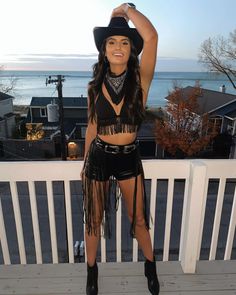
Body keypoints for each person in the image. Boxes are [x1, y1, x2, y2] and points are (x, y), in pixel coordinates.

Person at [81, 3, 159, 295]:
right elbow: (91, 128)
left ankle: (150, 267)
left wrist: (126, 9)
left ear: (131, 50)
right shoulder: (93, 87)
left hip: (128, 159)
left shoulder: (141, 80)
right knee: (94, 218)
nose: (118, 46)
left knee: (137, 219)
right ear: (103, 50)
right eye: (112, 42)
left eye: (124, 42)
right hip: (98, 157)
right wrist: (84, 162)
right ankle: (91, 272)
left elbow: (151, 37)